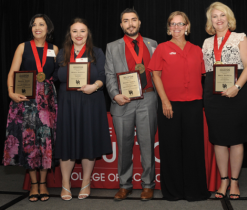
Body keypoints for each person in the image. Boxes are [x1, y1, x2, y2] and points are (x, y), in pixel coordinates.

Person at [148, 11, 211, 201]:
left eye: (180, 24)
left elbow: (203, 75)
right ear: (168, 28)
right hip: (170, 104)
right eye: (173, 24)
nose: (176, 27)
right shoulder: (162, 48)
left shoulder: (197, 49)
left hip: (193, 104)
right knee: (171, 148)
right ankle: (173, 191)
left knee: (193, 149)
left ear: (187, 27)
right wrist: (165, 101)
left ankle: (194, 190)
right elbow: (155, 75)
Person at [54, 18, 112, 201]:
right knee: (66, 142)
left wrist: (94, 86)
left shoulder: (97, 52)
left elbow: (103, 75)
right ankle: (66, 184)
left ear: (88, 34)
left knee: (88, 141)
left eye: (82, 31)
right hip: (67, 103)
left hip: (91, 101)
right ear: (69, 34)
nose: (78, 35)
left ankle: (86, 182)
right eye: (75, 31)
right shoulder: (62, 53)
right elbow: (55, 75)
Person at [3, 14, 58, 202]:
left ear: (48, 28)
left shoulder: (54, 49)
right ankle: (34, 184)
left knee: (45, 140)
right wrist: (10, 92)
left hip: (47, 101)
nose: (37, 28)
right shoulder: (23, 47)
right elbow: (12, 73)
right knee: (29, 140)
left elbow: (60, 73)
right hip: (25, 98)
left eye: (41, 24)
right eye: (34, 25)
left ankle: (43, 183)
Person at [202, 2, 247, 200]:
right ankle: (223, 180)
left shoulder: (240, 38)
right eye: (214, 16)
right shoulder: (206, 43)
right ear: (211, 21)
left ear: (228, 18)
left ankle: (235, 181)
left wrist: (237, 87)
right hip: (213, 95)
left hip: (237, 92)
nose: (219, 19)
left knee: (236, 138)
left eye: (222, 15)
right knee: (219, 139)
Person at [105, 8, 157, 201]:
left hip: (148, 98)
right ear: (121, 25)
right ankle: (125, 185)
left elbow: (159, 73)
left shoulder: (153, 44)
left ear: (139, 22)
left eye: (133, 20)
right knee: (124, 146)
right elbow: (109, 75)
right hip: (122, 101)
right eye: (126, 21)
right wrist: (114, 95)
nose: (130, 24)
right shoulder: (112, 46)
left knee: (147, 145)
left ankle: (148, 185)